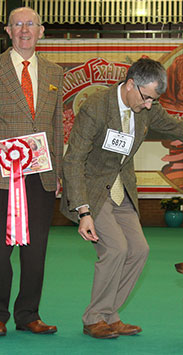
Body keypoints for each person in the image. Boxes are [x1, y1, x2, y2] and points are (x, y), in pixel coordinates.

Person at [60, 58, 183, 339]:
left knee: (139, 250)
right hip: (91, 190)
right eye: (146, 98)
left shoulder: (147, 107)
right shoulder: (96, 107)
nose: (149, 105)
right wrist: (83, 211)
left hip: (121, 188)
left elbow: (179, 128)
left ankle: (110, 315)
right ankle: (94, 318)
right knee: (115, 250)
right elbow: (73, 159)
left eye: (153, 100)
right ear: (130, 84)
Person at [0, 7, 63, 336]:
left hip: (41, 177)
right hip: (2, 178)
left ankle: (28, 315)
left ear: (41, 30)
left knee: (35, 251)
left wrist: (59, 172)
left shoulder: (54, 73)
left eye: (31, 24)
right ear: (8, 31)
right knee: (0, 250)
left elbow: (56, 126)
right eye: (17, 24)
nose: (24, 30)